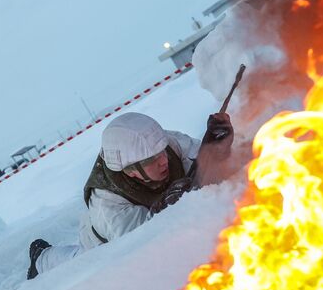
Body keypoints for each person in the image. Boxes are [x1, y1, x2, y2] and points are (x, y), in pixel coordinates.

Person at [27, 111, 233, 280]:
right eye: (153, 160)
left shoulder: (164, 144)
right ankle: (41, 257)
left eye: (162, 152)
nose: (164, 160)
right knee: (76, 263)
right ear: (130, 170)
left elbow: (202, 167)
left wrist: (215, 149)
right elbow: (142, 244)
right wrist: (165, 207)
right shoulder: (107, 204)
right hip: (103, 241)